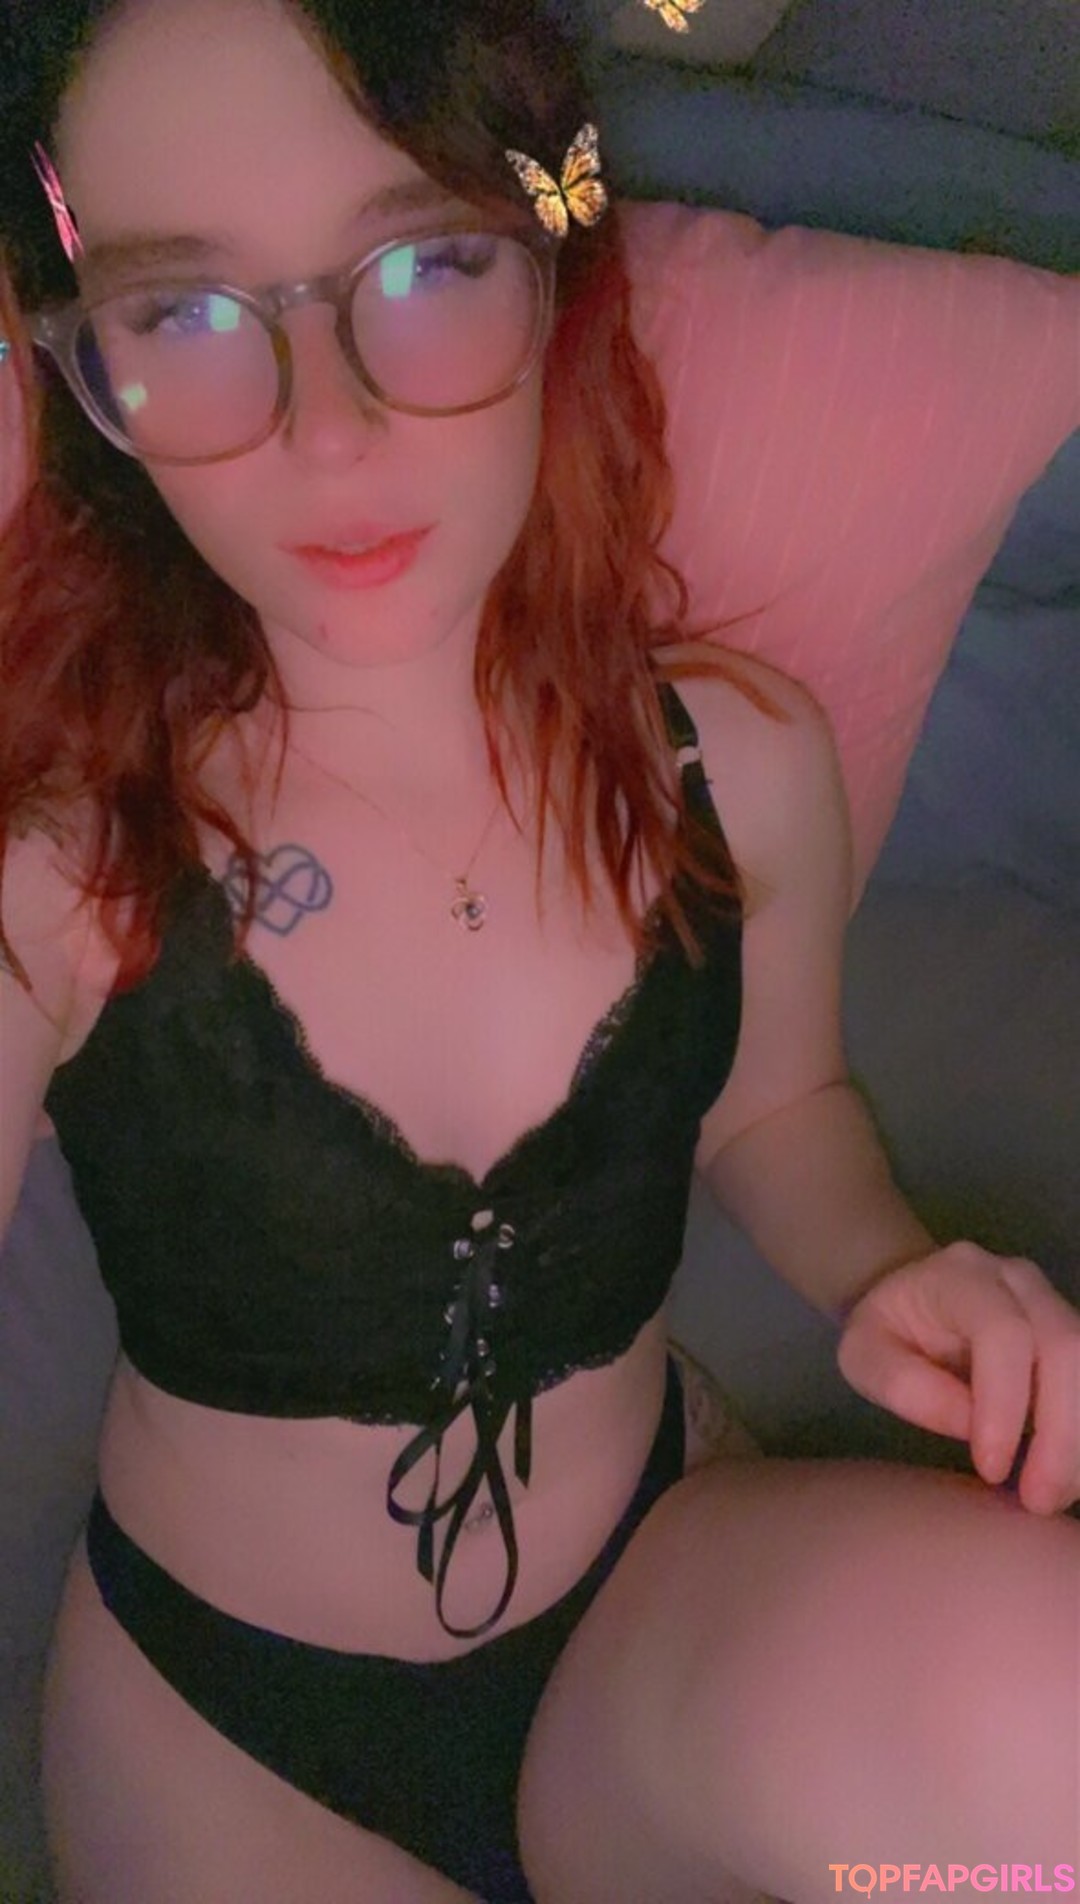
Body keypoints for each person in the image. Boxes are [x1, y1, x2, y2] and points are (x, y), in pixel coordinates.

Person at [0, 2, 1077, 1900]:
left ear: (551, 266)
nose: (333, 430)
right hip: (235, 1741)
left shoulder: (740, 764)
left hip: (651, 1614)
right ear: (81, 371)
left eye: (425, 267)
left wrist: (889, 1262)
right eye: (185, 313)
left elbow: (784, 1104)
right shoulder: (65, 876)